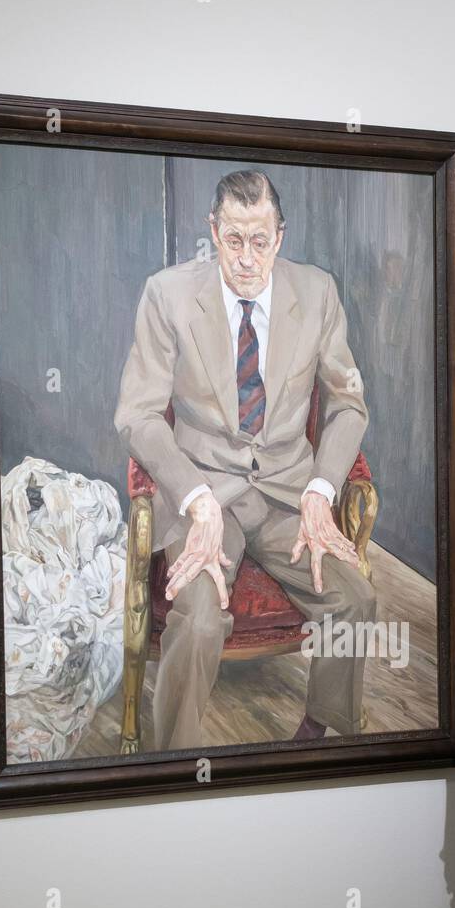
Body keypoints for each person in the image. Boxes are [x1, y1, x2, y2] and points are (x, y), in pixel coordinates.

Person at [114, 170, 374, 751]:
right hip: (206, 498)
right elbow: (138, 415)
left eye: (260, 241)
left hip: (289, 495)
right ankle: (175, 760)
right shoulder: (168, 295)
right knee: (200, 616)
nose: (248, 259)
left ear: (279, 237)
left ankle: (319, 736)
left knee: (355, 598)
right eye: (234, 240)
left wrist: (322, 490)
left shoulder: (318, 293)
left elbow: (349, 404)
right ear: (213, 232)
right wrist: (194, 497)